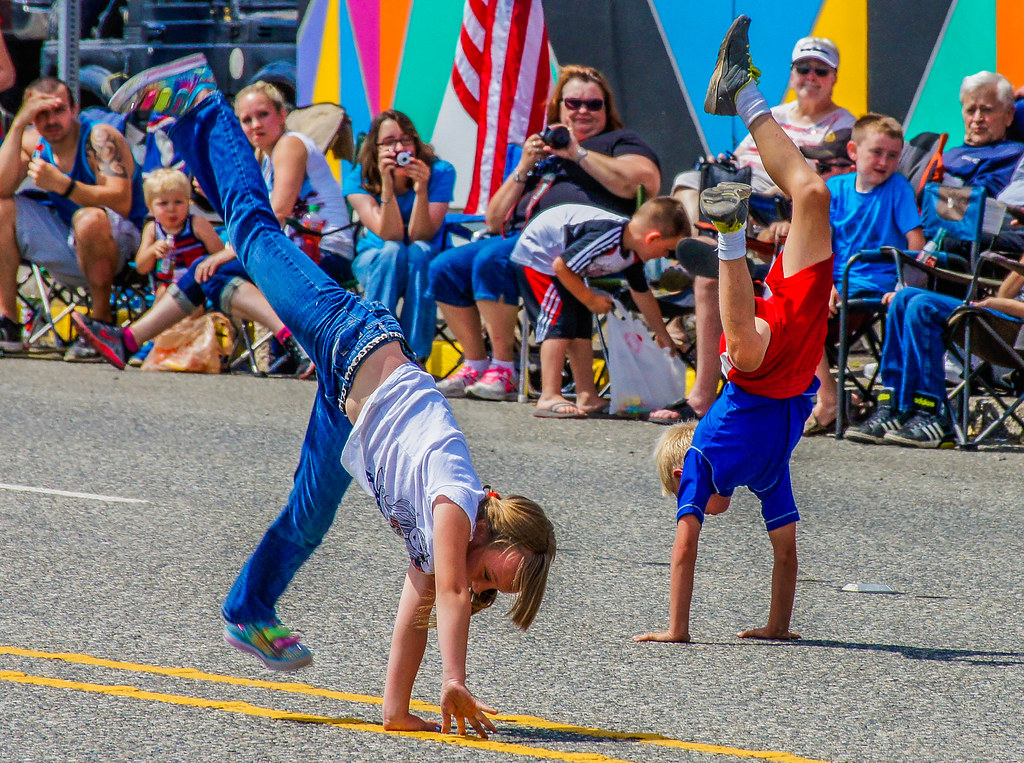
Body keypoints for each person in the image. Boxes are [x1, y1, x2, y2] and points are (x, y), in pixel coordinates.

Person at [102, 54, 555, 737]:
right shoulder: (457, 499)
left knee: (306, 519)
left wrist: (397, 712)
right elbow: (454, 595)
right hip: (352, 337)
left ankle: (250, 608)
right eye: (492, 573)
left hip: (348, 411)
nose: (480, 586)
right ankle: (203, 102)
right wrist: (455, 680)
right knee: (253, 231)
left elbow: (418, 614)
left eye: (493, 589)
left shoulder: (440, 552)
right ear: (490, 521)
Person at [634, 15, 833, 644]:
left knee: (743, 349)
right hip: (795, 353)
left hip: (755, 367)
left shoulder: (697, 464)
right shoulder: (768, 473)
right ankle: (741, 93)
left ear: (678, 482)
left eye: (687, 504)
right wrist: (778, 627)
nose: (698, 515)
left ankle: (726, 235)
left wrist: (676, 631)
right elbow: (787, 555)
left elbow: (683, 553)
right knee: (812, 194)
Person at [431, 64, 661, 403]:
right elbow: (494, 220)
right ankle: (478, 363)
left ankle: (505, 369)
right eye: (573, 103)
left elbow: (642, 182)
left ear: (606, 109)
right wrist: (524, 166)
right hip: (520, 236)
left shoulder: (619, 142)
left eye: (593, 104)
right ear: (559, 107)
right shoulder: (544, 150)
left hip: (575, 246)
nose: (583, 111)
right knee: (445, 265)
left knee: (491, 258)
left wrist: (578, 154)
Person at [672, 36, 854, 420]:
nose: (810, 76)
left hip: (769, 376)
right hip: (786, 382)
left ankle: (727, 231)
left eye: (820, 70)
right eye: (803, 68)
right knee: (811, 194)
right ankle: (726, 230)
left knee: (810, 195)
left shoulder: (842, 125)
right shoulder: (771, 439)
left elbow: (741, 349)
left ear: (834, 77)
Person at [72, 167, 313, 376]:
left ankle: (128, 341)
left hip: (299, 249)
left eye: (178, 202)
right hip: (201, 275)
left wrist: (226, 253)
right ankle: (129, 342)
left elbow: (274, 216)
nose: (172, 209)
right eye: (163, 203)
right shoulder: (153, 229)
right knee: (206, 275)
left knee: (205, 270)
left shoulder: (286, 147)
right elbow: (143, 265)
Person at [0, 75, 146, 358]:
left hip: (122, 245)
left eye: (59, 110)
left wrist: (62, 185)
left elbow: (122, 200)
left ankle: (101, 325)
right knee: (2, 208)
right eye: (42, 114)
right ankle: (8, 322)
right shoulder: (34, 141)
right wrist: (18, 125)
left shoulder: (99, 137)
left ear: (74, 110)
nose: (52, 120)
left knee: (88, 218)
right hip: (72, 240)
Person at [803, 114, 926, 434]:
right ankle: (823, 394)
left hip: (879, 279)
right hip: (839, 279)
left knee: (806, 309)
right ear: (854, 152)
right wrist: (826, 282)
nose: (884, 162)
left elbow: (917, 244)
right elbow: (820, 242)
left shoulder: (897, 188)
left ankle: (827, 401)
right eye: (877, 153)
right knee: (790, 304)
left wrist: (905, 284)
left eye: (892, 155)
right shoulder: (835, 188)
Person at [512, 198, 687, 417]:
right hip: (540, 259)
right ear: (653, 238)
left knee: (581, 329)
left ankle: (587, 396)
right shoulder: (609, 236)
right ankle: (549, 395)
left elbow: (642, 294)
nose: (664, 257)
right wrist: (590, 299)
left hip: (567, 271)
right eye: (667, 250)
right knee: (558, 323)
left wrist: (663, 334)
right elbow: (561, 266)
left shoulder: (632, 253)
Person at [343, 111, 454, 362]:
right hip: (377, 259)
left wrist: (422, 190)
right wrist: (387, 184)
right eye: (389, 142)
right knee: (392, 250)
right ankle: (373, 347)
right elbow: (389, 234)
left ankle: (414, 357)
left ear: (416, 143)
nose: (399, 148)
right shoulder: (358, 178)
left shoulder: (440, 172)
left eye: (405, 140)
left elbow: (420, 235)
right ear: (376, 147)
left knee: (419, 252)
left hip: (420, 260)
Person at [234, 81, 353, 277]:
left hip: (325, 253)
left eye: (263, 114)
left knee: (218, 273)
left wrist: (229, 252)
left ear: (282, 115)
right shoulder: (265, 160)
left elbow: (278, 212)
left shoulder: (290, 144)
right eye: (247, 120)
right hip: (298, 251)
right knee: (209, 272)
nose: (255, 125)